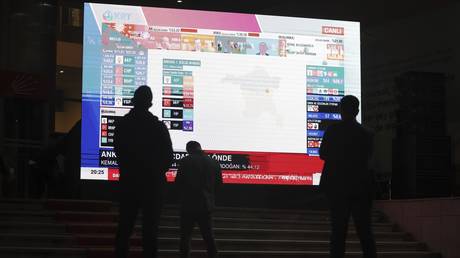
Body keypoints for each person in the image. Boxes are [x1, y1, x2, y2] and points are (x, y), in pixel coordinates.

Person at [114, 85, 173, 258]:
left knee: (124, 229)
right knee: (150, 231)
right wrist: (155, 172)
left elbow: (119, 152)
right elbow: (168, 157)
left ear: (134, 101)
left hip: (129, 183)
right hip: (153, 186)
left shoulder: (123, 125)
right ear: (149, 103)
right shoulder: (158, 127)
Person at [319, 95, 377, 258]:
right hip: (361, 189)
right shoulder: (367, 134)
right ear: (357, 111)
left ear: (341, 110)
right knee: (365, 233)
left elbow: (323, 154)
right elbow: (369, 160)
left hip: (337, 189)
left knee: (338, 233)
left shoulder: (332, 131)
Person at [175, 141, 222, 258]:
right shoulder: (214, 162)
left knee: (185, 237)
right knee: (208, 237)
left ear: (189, 150)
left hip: (188, 205)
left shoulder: (185, 161)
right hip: (206, 205)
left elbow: (178, 183)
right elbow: (219, 185)